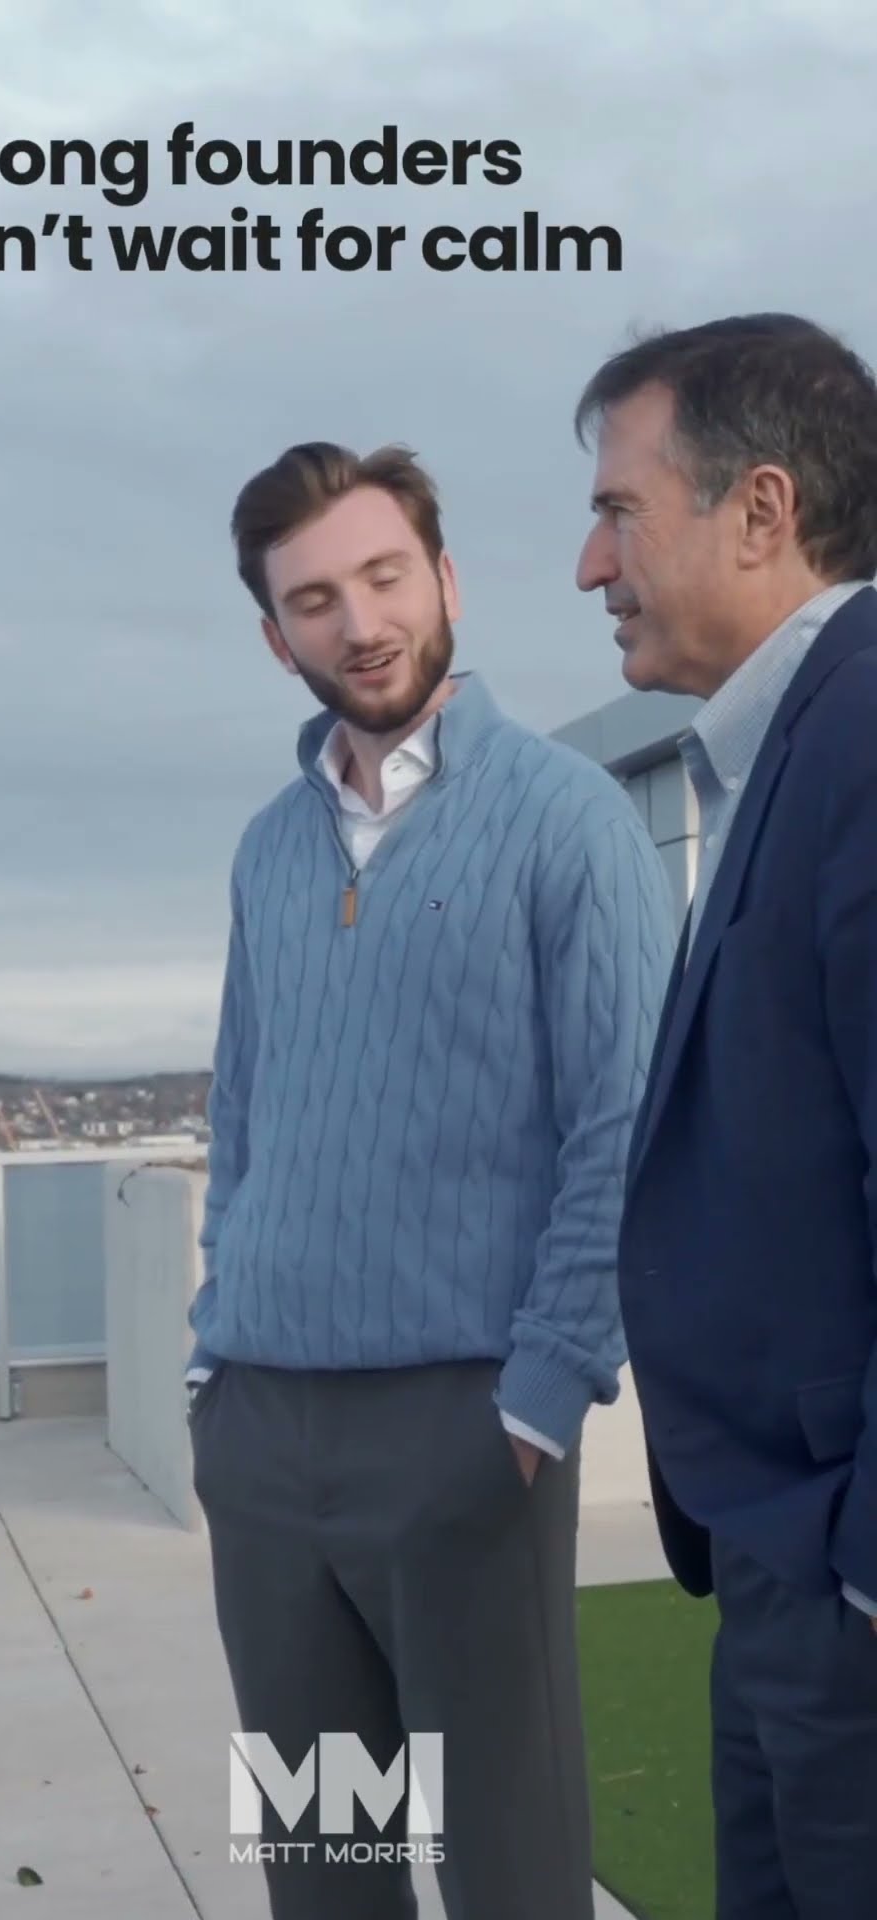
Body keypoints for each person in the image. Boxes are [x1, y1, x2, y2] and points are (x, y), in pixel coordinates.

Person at [185, 440, 676, 1919]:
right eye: (315, 600)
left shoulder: (568, 819)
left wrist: (536, 1402)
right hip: (264, 1443)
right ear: (275, 636)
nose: (361, 623)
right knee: (322, 1870)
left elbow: (622, 1130)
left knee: (505, 1875)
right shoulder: (268, 851)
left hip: (465, 1433)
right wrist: (213, 1367)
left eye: (385, 576)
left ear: (446, 578)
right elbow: (241, 1113)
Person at [574, 313, 877, 1920]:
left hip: (839, 1589)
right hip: (775, 1556)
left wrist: (858, 1587)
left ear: (761, 511)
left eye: (619, 513)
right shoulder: (786, 749)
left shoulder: (865, 735)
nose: (590, 566)